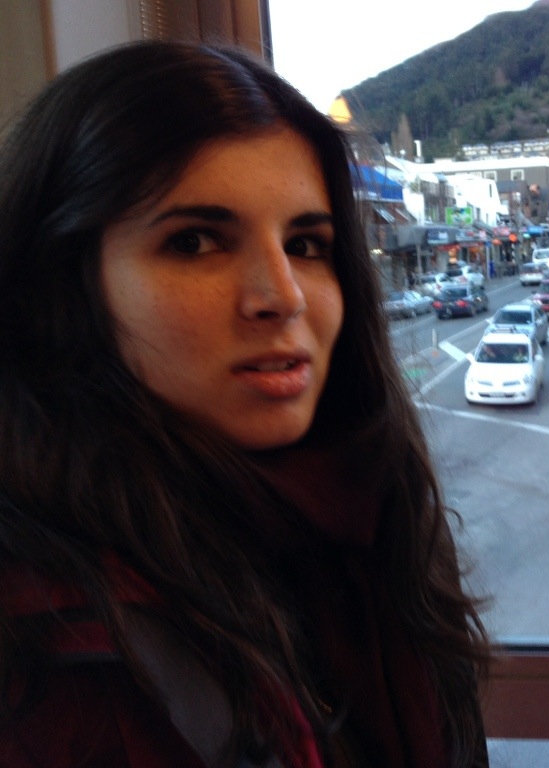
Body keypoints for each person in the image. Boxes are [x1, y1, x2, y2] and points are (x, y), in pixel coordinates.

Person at [0, 41, 489, 768]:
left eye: (306, 244)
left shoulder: (368, 512)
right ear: (64, 287)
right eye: (196, 242)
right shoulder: (52, 645)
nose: (282, 296)